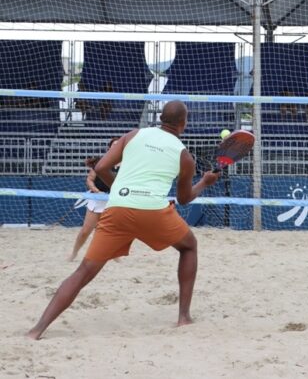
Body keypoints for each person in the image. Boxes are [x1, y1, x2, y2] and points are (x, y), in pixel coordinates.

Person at [27, 100, 220, 340]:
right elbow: (184, 199)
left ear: (161, 118)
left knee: (83, 271)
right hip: (153, 210)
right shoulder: (184, 155)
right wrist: (204, 182)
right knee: (189, 246)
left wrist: (120, 189)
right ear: (184, 123)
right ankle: (183, 317)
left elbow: (100, 167)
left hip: (118, 207)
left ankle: (36, 330)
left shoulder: (132, 135)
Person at [67, 137, 120, 262]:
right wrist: (97, 191)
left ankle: (116, 257)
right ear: (109, 148)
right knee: (86, 231)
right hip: (97, 198)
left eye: (118, 145)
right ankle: (74, 253)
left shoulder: (127, 164)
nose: (116, 147)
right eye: (114, 145)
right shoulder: (101, 162)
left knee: (112, 231)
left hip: (114, 201)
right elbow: (90, 180)